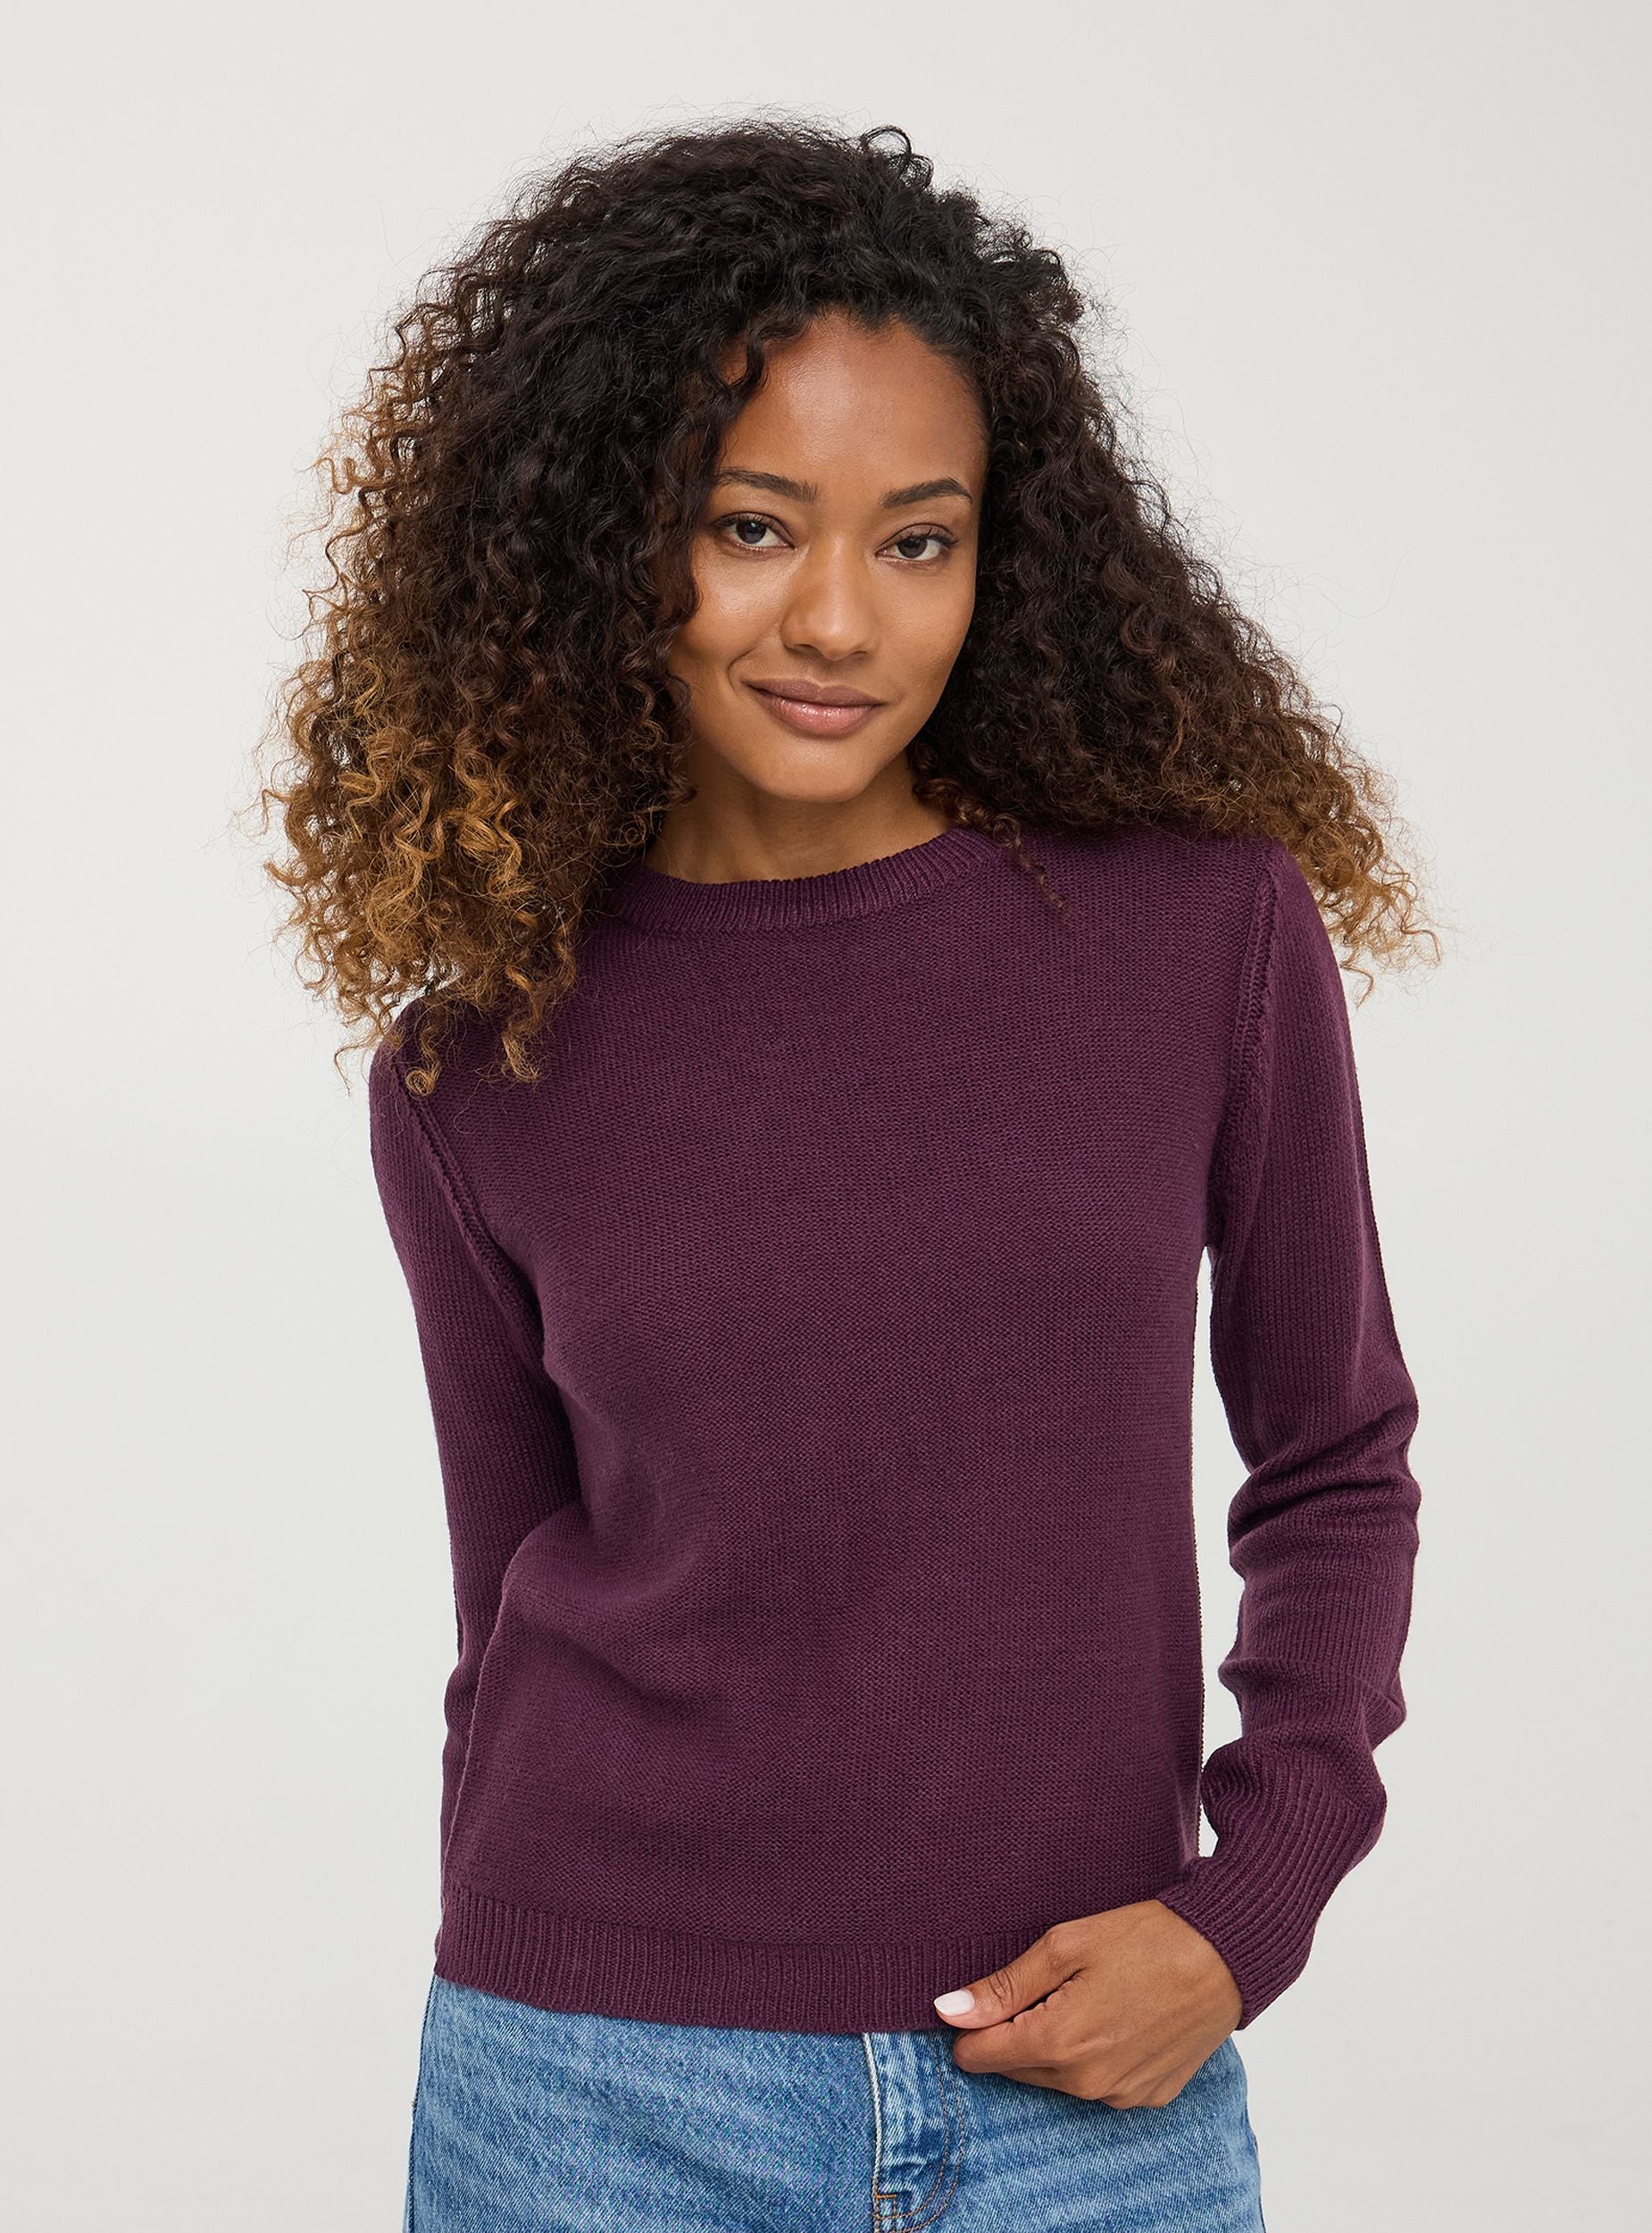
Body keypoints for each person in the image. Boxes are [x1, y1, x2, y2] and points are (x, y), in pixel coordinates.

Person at [259, 115, 1432, 2232]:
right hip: (589, 2085)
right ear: (603, 538)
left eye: (916, 540)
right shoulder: (473, 1063)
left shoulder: (1199, 935)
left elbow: (1335, 1455)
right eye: (749, 526)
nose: (834, 618)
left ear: (1000, 558)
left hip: (1091, 2086)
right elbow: (505, 1599)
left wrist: (1246, 1904)